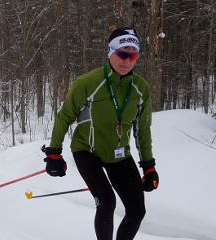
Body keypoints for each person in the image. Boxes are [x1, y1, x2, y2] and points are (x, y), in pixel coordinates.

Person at [42, 27, 159, 240]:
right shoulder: (88, 83)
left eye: (132, 55)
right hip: (87, 151)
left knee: (137, 210)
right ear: (110, 53)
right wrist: (53, 154)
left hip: (119, 153)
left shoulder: (141, 88)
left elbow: (142, 130)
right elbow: (65, 116)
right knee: (107, 202)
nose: (126, 61)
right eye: (122, 54)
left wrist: (149, 167)